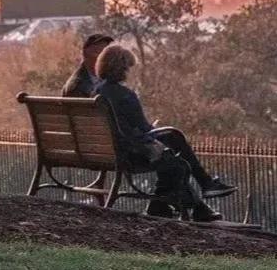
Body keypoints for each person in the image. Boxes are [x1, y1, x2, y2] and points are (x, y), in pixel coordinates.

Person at [94, 43, 236, 221]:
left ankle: (171, 205)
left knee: (171, 147)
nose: (129, 72)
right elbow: (143, 129)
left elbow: (124, 127)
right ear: (122, 68)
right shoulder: (125, 95)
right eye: (128, 67)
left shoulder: (97, 92)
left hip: (108, 150)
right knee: (177, 161)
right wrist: (153, 129)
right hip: (129, 152)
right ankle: (199, 195)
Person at [61, 33, 113, 98]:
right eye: (98, 51)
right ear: (85, 53)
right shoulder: (76, 86)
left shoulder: (111, 80)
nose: (105, 57)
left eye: (106, 51)